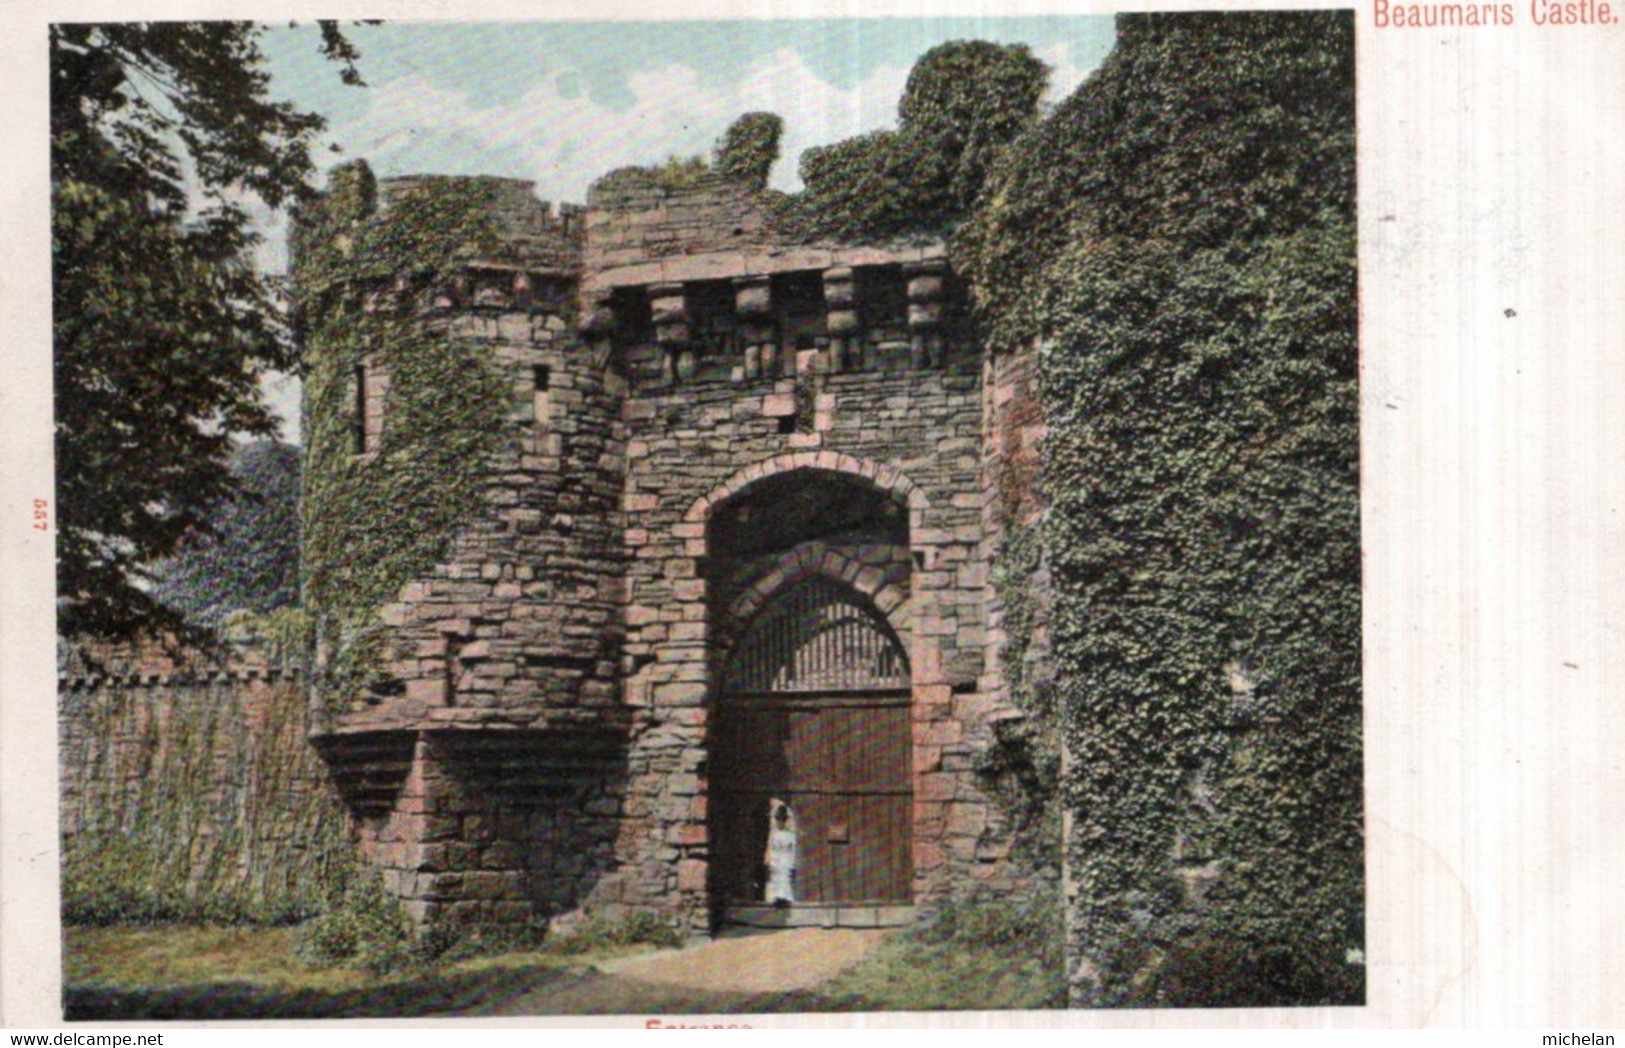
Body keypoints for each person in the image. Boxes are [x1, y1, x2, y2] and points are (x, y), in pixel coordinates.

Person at [764, 800, 797, 906]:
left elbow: (792, 849)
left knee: (784, 877)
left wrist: (793, 862)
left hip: (786, 858)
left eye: (782, 820)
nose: (780, 823)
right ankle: (777, 897)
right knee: (776, 877)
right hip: (777, 858)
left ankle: (785, 897)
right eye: (778, 820)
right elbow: (772, 848)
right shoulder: (775, 834)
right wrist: (771, 859)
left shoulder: (790, 835)